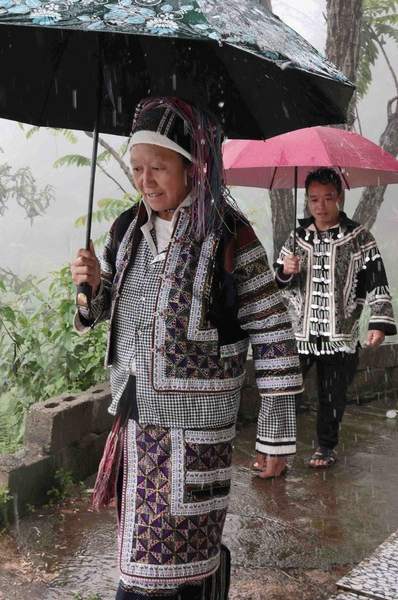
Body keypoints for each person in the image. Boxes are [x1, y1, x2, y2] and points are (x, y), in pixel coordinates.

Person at [70, 97, 303, 599]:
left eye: (158, 167)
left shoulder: (229, 237)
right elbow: (110, 309)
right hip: (135, 425)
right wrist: (91, 289)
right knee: (149, 562)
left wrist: (275, 434)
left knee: (165, 570)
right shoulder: (125, 232)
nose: (146, 180)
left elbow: (273, 334)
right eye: (136, 168)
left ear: (191, 166)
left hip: (195, 438)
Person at [274, 167, 397, 468]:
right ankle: (277, 449)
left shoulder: (359, 237)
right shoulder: (296, 237)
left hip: (339, 335)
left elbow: (377, 281)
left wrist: (378, 323)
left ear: (339, 197)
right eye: (314, 199)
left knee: (332, 395)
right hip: (299, 334)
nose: (321, 205)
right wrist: (285, 270)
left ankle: (325, 448)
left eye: (328, 198)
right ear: (307, 200)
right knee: (286, 392)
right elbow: (276, 281)